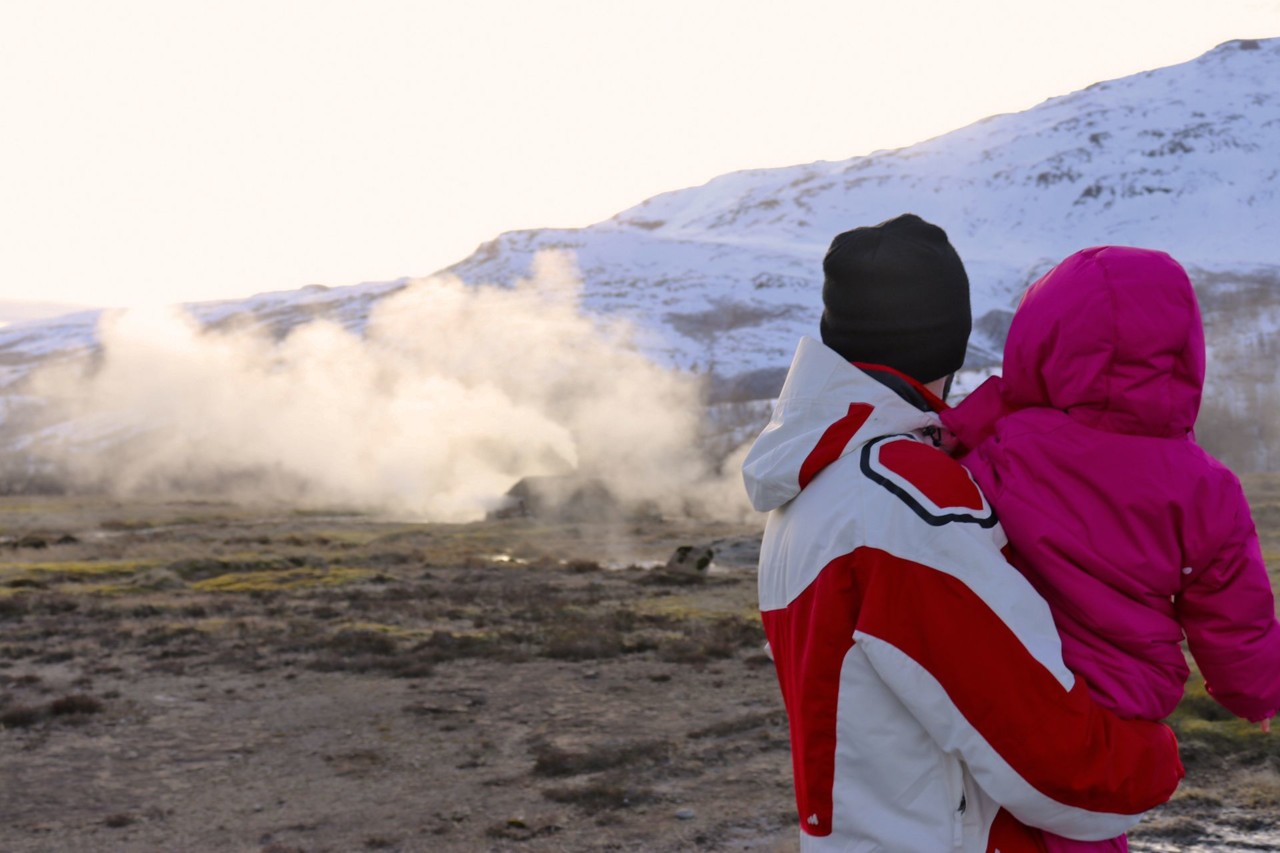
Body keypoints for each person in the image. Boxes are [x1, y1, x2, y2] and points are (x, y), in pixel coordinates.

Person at [742, 214, 1184, 852]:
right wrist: (1156, 756)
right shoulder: (905, 500)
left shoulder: (809, 484)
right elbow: (1053, 761)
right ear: (946, 343)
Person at [939, 245, 1280, 853]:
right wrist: (1260, 694)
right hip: (1119, 721)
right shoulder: (1204, 486)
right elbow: (1237, 624)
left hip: (1011, 696)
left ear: (1041, 338)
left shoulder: (997, 446)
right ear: (1183, 351)